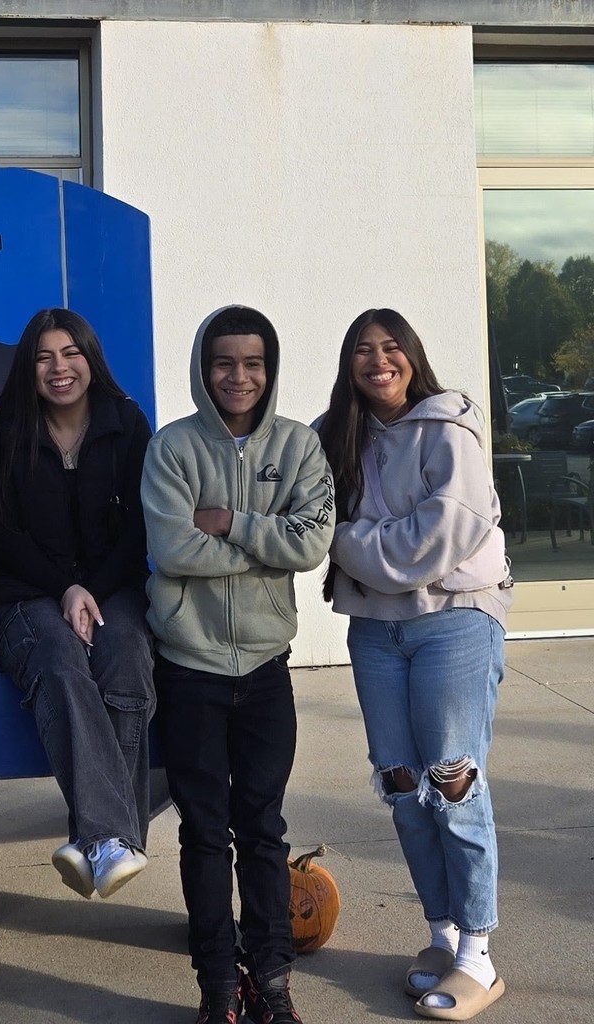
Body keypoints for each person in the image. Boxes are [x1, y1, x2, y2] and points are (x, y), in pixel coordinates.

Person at [316, 308, 511, 1021]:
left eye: (391, 347)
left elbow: (444, 533)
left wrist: (352, 543)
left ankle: (479, 958)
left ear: (413, 356)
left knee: (453, 783)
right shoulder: (335, 435)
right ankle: (443, 934)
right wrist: (350, 540)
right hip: (374, 631)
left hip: (455, 622)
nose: (378, 361)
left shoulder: (449, 426)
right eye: (362, 350)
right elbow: (308, 519)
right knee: (402, 787)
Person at [142, 305, 333, 1024]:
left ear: (270, 370)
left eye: (253, 363)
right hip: (189, 669)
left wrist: (233, 523)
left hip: (264, 669)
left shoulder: (299, 447)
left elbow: (311, 543)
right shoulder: (172, 449)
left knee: (262, 827)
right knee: (203, 830)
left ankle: (273, 982)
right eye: (225, 362)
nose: (239, 376)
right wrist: (268, 542)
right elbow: (173, 551)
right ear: (203, 367)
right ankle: (219, 985)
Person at [0, 308, 155, 900]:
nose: (59, 368)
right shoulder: (3, 430)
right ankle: (114, 835)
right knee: (60, 660)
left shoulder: (126, 424)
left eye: (70, 353)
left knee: (128, 652)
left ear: (91, 359)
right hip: (25, 599)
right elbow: (0, 533)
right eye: (43, 356)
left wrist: (94, 589)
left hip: (113, 590)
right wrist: (66, 589)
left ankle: (99, 838)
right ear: (28, 369)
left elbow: (140, 526)